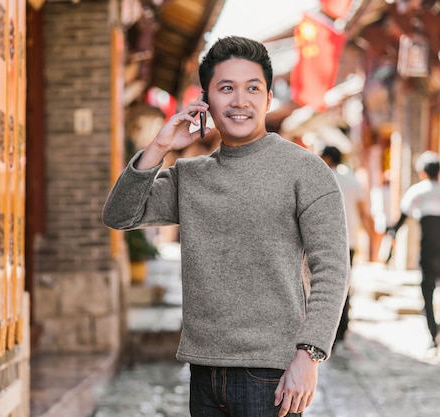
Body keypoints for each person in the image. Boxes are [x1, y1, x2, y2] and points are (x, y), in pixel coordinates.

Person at [103, 36, 349, 417]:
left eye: (253, 88)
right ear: (205, 100)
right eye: (226, 88)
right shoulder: (190, 176)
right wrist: (159, 147)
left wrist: (309, 355)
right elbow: (119, 215)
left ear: (268, 98)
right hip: (203, 370)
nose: (240, 101)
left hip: (271, 374)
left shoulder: (306, 171)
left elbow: (332, 269)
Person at [387, 151, 440, 348]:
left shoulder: (417, 192)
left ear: (422, 171)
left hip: (428, 252)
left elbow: (400, 221)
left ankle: (433, 334)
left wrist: (390, 243)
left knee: (428, 292)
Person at [320, 145, 373, 347]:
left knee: (325, 286)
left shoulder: (320, 177)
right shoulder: (352, 179)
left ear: (326, 158)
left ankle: (329, 333)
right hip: (349, 240)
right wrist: (369, 237)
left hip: (324, 240)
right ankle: (342, 330)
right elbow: (363, 210)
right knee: (344, 285)